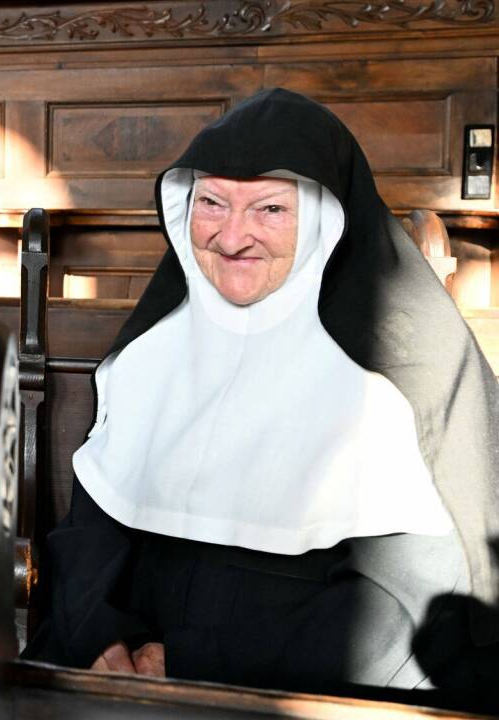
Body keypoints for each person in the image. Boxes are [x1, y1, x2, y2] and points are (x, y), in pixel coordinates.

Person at [25, 89, 499, 708]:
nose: (232, 237)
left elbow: (402, 609)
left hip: (299, 688)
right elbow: (89, 533)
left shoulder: (403, 380)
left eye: (270, 209)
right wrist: (103, 640)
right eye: (212, 204)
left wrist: (188, 662)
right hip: (118, 674)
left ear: (326, 221)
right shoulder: (150, 354)